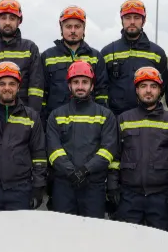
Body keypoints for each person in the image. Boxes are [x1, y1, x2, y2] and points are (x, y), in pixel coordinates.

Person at [107, 67, 168, 230]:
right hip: (129, 196)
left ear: (160, 91)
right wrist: (113, 186)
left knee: (160, 248)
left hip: (160, 197)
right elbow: (114, 157)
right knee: (126, 245)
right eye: (143, 86)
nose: (148, 91)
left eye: (153, 86)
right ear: (136, 90)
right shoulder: (123, 119)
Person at [46, 60, 118, 218]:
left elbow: (108, 150)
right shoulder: (56, 115)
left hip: (94, 187)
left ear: (92, 86)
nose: (80, 86)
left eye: (85, 82)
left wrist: (86, 170)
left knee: (92, 237)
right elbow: (53, 150)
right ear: (69, 85)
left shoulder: (105, 115)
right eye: (76, 82)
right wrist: (71, 172)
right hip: (64, 186)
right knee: (63, 234)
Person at [0, 62, 47, 212]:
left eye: (12, 84)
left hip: (21, 190)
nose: (7, 88)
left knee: (19, 234)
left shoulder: (31, 116)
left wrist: (38, 186)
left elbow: (39, 154)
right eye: (2, 84)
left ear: (18, 87)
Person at [0, 0, 44, 114]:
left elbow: (36, 88)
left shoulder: (30, 48)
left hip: (22, 114)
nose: (7, 22)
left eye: (12, 18)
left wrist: (32, 117)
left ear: (19, 21)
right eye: (3, 18)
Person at [100, 0, 168, 117]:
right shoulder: (108, 52)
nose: (132, 22)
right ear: (122, 20)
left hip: (148, 119)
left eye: (137, 17)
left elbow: (162, 88)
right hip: (116, 119)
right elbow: (101, 88)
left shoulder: (157, 53)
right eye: (128, 18)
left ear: (144, 20)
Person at [41, 5, 109, 116]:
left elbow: (102, 93)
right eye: (68, 26)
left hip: (88, 120)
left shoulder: (95, 57)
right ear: (61, 28)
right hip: (57, 121)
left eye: (77, 27)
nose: (73, 31)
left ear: (84, 28)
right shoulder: (48, 57)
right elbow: (43, 92)